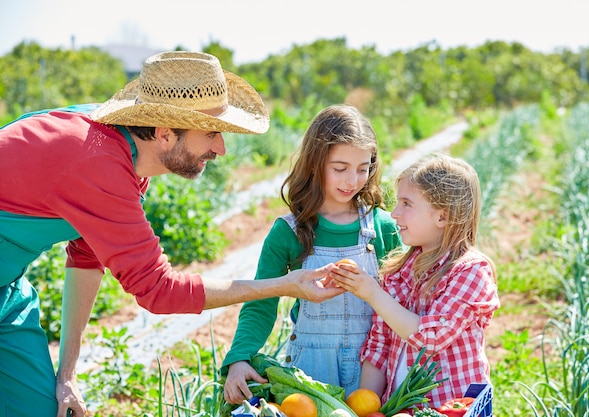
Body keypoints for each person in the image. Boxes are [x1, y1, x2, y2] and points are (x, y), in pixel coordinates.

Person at [0, 51, 344, 417]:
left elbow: (85, 257)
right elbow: (159, 291)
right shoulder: (98, 162)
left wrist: (66, 375)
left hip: (8, 293)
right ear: (164, 133)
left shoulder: (123, 151)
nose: (221, 149)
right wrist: (283, 284)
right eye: (212, 133)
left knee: (40, 408)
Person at [220, 104, 403, 404]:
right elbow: (260, 303)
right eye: (340, 169)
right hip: (311, 373)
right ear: (315, 164)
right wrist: (240, 358)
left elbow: (403, 300)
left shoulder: (382, 228)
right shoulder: (289, 232)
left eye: (363, 168)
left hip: (375, 370)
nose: (352, 181)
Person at [329, 153, 500, 408]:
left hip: (452, 408)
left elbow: (431, 339)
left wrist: (374, 294)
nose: (395, 213)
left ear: (442, 217)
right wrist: (366, 406)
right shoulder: (399, 270)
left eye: (407, 204)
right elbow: (379, 346)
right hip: (401, 409)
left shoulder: (470, 271)